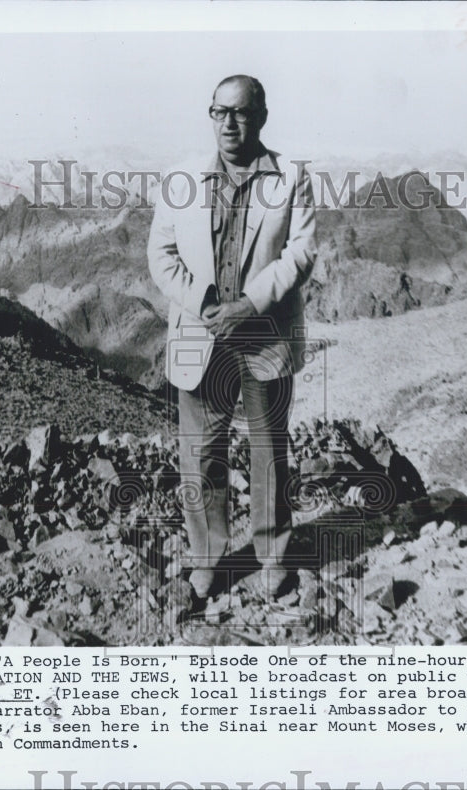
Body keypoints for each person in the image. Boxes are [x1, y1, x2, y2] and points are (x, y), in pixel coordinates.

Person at [147, 75, 317, 607]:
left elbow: (301, 252)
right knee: (201, 455)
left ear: (261, 116)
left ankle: (272, 558)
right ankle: (208, 562)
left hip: (264, 334)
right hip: (203, 336)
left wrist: (250, 304)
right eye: (218, 112)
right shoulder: (180, 178)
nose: (228, 123)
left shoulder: (292, 179)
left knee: (269, 452)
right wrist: (205, 304)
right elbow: (161, 255)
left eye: (239, 113)